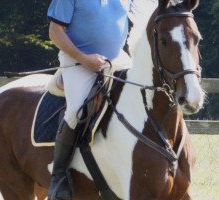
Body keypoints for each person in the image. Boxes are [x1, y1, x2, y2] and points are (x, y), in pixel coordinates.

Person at [47, 0, 130, 199]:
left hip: (118, 60)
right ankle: (58, 177)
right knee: (77, 110)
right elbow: (55, 31)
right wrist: (84, 58)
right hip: (78, 61)